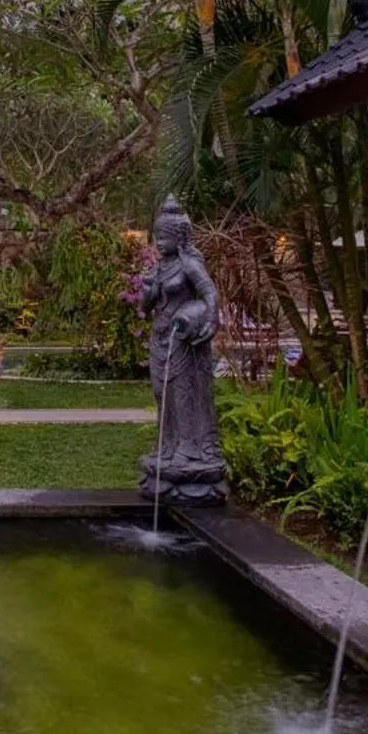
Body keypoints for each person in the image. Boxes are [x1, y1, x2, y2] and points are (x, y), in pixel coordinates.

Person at [138, 197, 226, 504]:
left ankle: (189, 449)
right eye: (157, 236)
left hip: (182, 340)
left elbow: (209, 292)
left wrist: (210, 319)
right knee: (160, 393)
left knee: (182, 393)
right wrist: (147, 290)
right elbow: (145, 307)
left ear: (179, 238)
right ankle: (167, 446)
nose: (159, 242)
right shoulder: (158, 268)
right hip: (160, 337)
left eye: (165, 237)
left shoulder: (189, 264)